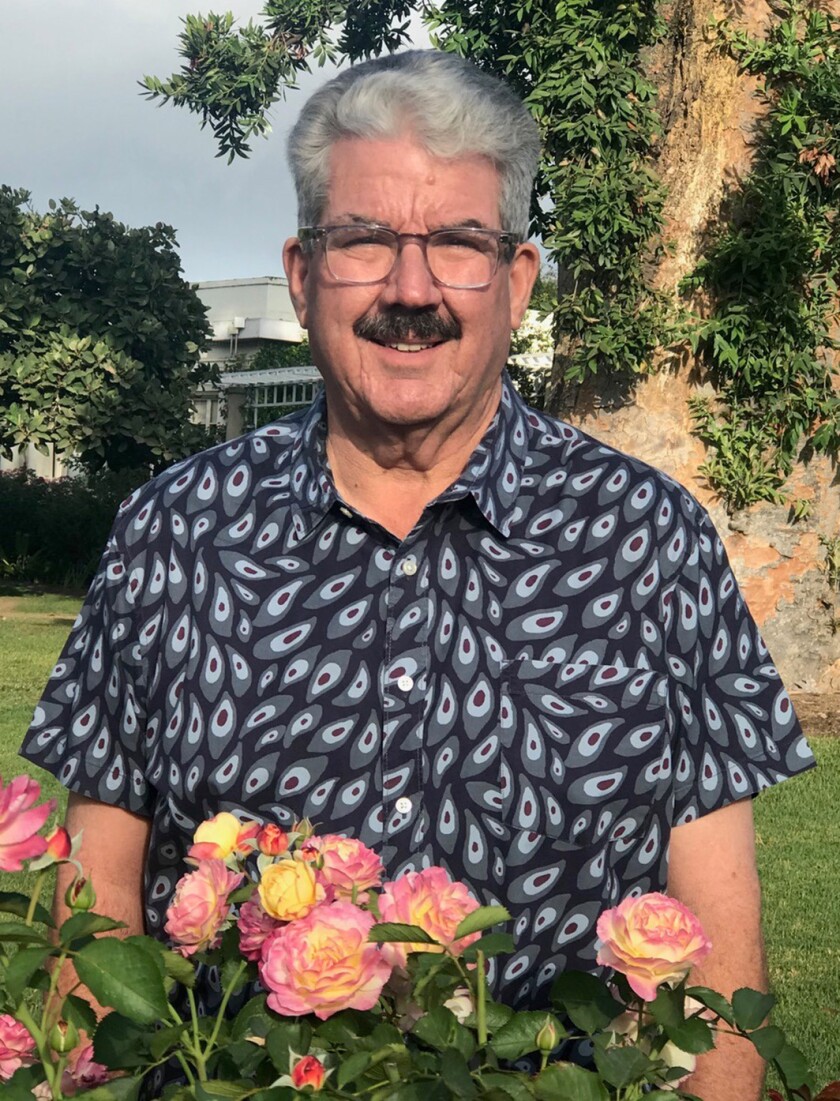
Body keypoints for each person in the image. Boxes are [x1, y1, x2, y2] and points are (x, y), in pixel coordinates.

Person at [22, 49, 814, 1100]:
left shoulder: (651, 542)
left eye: (457, 244)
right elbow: (94, 916)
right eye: (365, 242)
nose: (411, 289)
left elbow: (715, 962)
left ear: (518, 281)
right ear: (303, 274)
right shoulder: (174, 535)